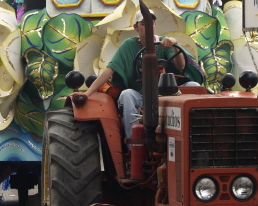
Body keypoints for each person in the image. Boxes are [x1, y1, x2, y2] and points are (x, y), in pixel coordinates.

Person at [83, 9, 203, 141]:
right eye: (144, 24)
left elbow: (180, 66)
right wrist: (87, 94)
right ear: (136, 27)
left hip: (171, 95)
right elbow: (110, 70)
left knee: (194, 85)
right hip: (143, 97)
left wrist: (175, 45)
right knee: (127, 94)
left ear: (155, 25)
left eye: (151, 23)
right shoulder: (129, 45)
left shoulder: (164, 43)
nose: (149, 27)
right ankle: (134, 143)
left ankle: (196, 140)